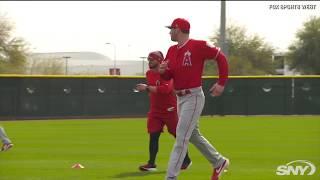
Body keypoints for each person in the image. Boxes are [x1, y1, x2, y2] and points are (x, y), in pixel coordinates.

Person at [160, 18, 229, 180]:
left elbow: (221, 58)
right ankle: (219, 162)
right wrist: (163, 71)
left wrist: (222, 82)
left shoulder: (198, 45)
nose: (169, 31)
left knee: (181, 137)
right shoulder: (171, 50)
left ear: (179, 29)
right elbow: (169, 76)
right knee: (193, 135)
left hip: (194, 96)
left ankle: (171, 177)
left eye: (172, 28)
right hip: (180, 98)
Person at [135, 51, 192, 172]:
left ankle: (186, 160)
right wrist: (146, 89)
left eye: (152, 59)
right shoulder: (149, 73)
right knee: (153, 135)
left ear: (159, 60)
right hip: (155, 110)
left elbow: (166, 89)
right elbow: (152, 90)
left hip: (169, 109)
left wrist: (147, 88)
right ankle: (151, 163)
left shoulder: (166, 73)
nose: (149, 62)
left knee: (178, 135)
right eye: (149, 60)